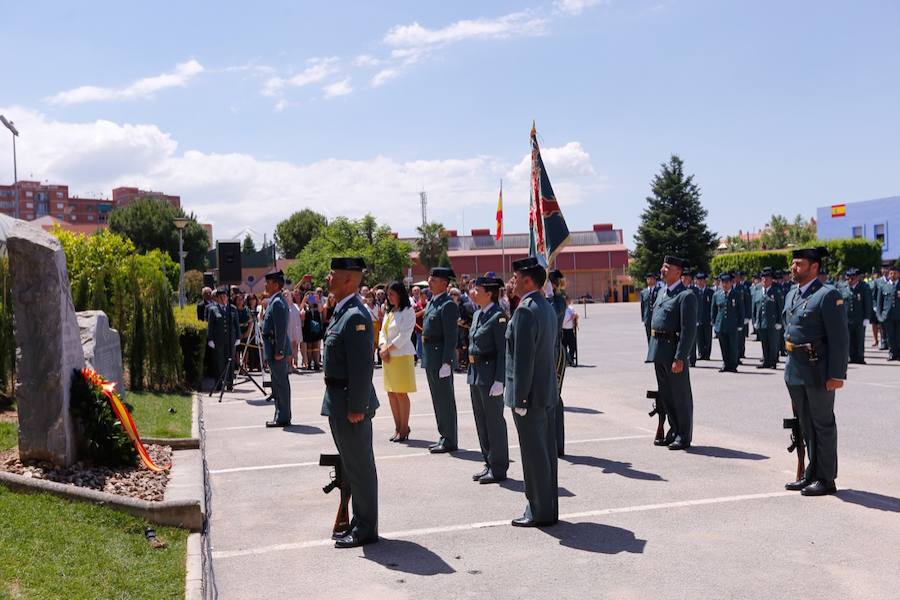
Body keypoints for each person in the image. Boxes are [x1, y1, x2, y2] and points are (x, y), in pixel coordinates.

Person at [320, 257, 379, 548]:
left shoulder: (356, 315)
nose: (328, 278)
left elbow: (362, 367)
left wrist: (357, 406)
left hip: (350, 405)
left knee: (360, 466)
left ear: (348, 280)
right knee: (353, 465)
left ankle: (366, 527)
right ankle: (359, 520)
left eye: (333, 274)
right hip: (338, 400)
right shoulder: (342, 312)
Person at [782, 247, 848, 496]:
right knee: (806, 424)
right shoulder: (792, 295)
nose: (793, 267)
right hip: (795, 370)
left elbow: (839, 339)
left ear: (814, 267)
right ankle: (811, 473)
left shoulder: (828, 296)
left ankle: (826, 478)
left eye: (798, 263)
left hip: (818, 370)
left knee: (823, 424)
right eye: (793, 263)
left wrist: (837, 374)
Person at [506, 258, 558, 526]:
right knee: (544, 453)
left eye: (515, 277)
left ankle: (539, 510)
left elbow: (523, 360)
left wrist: (521, 398)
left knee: (534, 454)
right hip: (545, 392)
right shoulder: (545, 306)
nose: (511, 282)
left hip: (530, 397)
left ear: (527, 281)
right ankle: (546, 508)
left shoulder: (526, 311)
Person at [647, 256, 697, 451]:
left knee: (680, 395)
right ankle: (673, 430)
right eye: (663, 265)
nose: (663, 269)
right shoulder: (661, 292)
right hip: (659, 351)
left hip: (673, 352)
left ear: (678, 272)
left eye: (667, 267)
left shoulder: (686, 296)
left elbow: (688, 330)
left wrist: (680, 356)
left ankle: (684, 434)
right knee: (667, 395)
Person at [468, 276, 510, 485]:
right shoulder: (477, 314)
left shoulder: (498, 317)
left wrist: (499, 380)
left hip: (490, 375)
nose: (473, 292)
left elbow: (504, 352)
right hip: (475, 374)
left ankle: (499, 467)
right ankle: (489, 462)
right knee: (481, 423)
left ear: (489, 293)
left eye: (477, 289)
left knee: (494, 423)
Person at [421, 268, 460, 453]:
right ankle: (444, 435)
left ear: (444, 283)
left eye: (434, 279)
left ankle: (450, 439)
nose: (429, 281)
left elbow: (451, 336)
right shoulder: (432, 303)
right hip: (431, 357)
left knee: (445, 400)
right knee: (437, 399)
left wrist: (447, 361)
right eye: (430, 278)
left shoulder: (447, 305)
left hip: (440, 358)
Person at [379, 281, 416, 442]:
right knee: (391, 393)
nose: (389, 297)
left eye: (392, 294)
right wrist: (382, 347)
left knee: (401, 393)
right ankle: (397, 426)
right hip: (388, 356)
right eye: (388, 294)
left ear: (400, 294)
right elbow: (382, 331)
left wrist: (388, 349)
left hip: (401, 356)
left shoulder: (408, 311)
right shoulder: (390, 311)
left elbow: (405, 335)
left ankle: (404, 427)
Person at [262, 270, 292, 427]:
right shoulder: (275, 301)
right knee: (277, 383)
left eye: (268, 282)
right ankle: (280, 414)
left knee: (280, 384)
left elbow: (280, 329)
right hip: (273, 348)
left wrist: (279, 351)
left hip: (276, 349)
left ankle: (283, 417)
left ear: (275, 284)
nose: (265, 285)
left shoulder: (278, 303)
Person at [548, 269, 567, 457]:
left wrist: (549, 296)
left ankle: (557, 444)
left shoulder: (558, 301)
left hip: (555, 353)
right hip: (544, 353)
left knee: (554, 398)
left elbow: (553, 318)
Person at [207, 287, 240, 391]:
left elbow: (236, 325)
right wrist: (210, 339)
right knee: (219, 362)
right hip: (218, 340)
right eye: (222, 296)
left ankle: (230, 383)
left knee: (230, 361)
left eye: (225, 296)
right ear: (218, 298)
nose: (224, 298)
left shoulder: (233, 308)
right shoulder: (213, 309)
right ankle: (219, 383)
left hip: (230, 340)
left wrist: (238, 337)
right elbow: (210, 326)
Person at [752, 267, 784, 369]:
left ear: (771, 280)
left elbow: (780, 308)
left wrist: (779, 322)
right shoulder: (757, 291)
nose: (765, 281)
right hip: (761, 322)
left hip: (773, 322)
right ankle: (766, 361)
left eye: (767, 279)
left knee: (773, 343)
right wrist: (754, 321)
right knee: (764, 343)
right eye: (763, 279)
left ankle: (773, 362)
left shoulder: (776, 291)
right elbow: (755, 307)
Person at [712, 273, 743, 373]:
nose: (725, 285)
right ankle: (725, 363)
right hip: (721, 324)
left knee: (733, 346)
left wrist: (740, 324)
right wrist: (714, 323)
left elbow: (741, 310)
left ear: (731, 283)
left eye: (727, 283)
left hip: (733, 324)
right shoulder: (717, 295)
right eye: (723, 283)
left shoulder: (736, 294)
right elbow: (714, 310)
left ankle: (733, 365)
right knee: (724, 346)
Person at [842, 268, 872, 364]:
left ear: (857, 278)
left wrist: (867, 317)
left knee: (859, 339)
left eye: (852, 278)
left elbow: (868, 303)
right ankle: (851, 356)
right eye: (848, 278)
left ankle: (860, 357)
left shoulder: (864, 287)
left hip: (859, 318)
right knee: (849, 339)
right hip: (847, 318)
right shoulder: (843, 288)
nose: (850, 280)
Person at [877, 264, 900, 360]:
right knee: (890, 336)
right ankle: (892, 353)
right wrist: (879, 316)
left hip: (899, 315)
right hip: (887, 316)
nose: (893, 275)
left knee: (898, 336)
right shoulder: (883, 287)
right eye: (891, 273)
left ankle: (898, 353)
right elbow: (879, 303)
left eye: (895, 273)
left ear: (899, 274)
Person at [681, 270, 700, 367]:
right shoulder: (679, 289)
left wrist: (697, 318)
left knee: (691, 340)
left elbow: (699, 305)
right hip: (681, 318)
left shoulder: (695, 290)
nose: (684, 279)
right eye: (683, 277)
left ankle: (692, 359)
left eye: (686, 277)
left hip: (692, 318)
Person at [302, 290, 324, 370]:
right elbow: (300, 310)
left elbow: (321, 310)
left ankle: (316, 363)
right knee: (309, 347)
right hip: (307, 328)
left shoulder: (316, 305)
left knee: (316, 346)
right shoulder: (305, 306)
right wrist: (304, 300)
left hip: (316, 328)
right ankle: (309, 363)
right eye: (309, 297)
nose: (311, 298)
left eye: (312, 296)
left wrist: (318, 300)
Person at [695, 273, 714, 360]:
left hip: (707, 318)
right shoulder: (695, 292)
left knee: (707, 337)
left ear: (704, 281)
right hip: (698, 318)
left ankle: (707, 354)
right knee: (699, 337)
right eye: (698, 280)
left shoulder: (710, 292)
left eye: (701, 280)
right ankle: (701, 353)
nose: (700, 282)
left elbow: (713, 306)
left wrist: (712, 317)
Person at [639, 273, 659, 343]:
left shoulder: (659, 291)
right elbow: (642, 306)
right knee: (649, 337)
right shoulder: (643, 292)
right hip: (647, 318)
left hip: (656, 318)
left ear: (655, 280)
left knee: (656, 337)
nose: (649, 280)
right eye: (648, 279)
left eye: (651, 279)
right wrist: (643, 318)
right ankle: (650, 352)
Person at [287, 289, 303, 372]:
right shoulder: (285, 306)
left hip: (296, 328)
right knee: (289, 348)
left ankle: (294, 364)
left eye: (289, 295)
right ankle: (289, 365)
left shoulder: (296, 305)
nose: (288, 297)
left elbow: (299, 314)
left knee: (295, 347)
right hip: (288, 328)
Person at [561, 296, 579, 366]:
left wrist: (575, 317)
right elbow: (562, 321)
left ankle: (571, 359)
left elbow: (575, 316)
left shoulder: (571, 308)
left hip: (571, 330)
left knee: (572, 346)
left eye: (567, 301)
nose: (567, 302)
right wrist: (571, 317)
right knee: (563, 346)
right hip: (563, 330)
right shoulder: (562, 309)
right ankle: (565, 360)